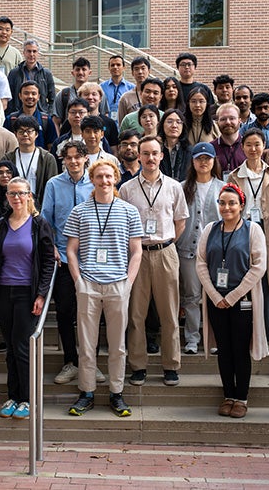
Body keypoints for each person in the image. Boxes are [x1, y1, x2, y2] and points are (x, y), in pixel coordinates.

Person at [64, 160, 144, 417]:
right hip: (88, 285)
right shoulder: (79, 211)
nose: (104, 181)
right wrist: (78, 281)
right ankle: (86, 393)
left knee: (117, 345)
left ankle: (116, 393)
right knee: (87, 345)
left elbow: (136, 251)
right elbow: (71, 250)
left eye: (109, 176)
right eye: (99, 176)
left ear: (116, 178)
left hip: (118, 285)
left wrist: (128, 283)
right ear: (92, 179)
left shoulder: (129, 211)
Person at [119, 136, 189, 387]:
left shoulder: (173, 187)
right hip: (136, 254)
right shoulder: (126, 189)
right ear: (139, 156)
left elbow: (180, 222)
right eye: (145, 153)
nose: (150, 158)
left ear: (161, 156)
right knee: (136, 314)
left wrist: (164, 243)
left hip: (166, 253)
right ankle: (138, 365)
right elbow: (123, 225)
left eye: (154, 153)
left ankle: (171, 365)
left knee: (169, 313)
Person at [196, 183, 268, 419]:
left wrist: (233, 296)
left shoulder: (252, 230)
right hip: (216, 300)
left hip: (243, 300)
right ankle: (228, 395)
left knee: (239, 349)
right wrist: (216, 296)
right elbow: (201, 263)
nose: (226, 207)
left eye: (232, 203)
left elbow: (258, 267)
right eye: (222, 203)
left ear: (241, 205)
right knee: (224, 349)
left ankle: (241, 398)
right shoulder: (210, 229)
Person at [0, 177, 55, 419]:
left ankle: (28, 399)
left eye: (21, 193)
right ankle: (13, 396)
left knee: (22, 346)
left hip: (27, 293)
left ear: (30, 195)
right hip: (5, 291)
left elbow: (48, 261)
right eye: (11, 194)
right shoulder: (0, 224)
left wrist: (41, 294)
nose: (16, 198)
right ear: (6, 197)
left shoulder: (39, 224)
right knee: (10, 347)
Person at [40, 141, 98, 385]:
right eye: (69, 157)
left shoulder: (96, 182)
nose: (73, 161)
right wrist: (51, 246)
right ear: (63, 160)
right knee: (64, 312)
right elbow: (45, 220)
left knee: (91, 314)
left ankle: (90, 364)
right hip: (63, 258)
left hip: (93, 259)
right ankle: (71, 362)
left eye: (78, 157)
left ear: (86, 158)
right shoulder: (54, 184)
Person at [227, 128, 269, 341]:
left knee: (267, 282)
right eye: (249, 145)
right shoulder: (234, 176)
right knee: (243, 279)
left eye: (257, 144)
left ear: (264, 147)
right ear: (242, 147)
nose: (253, 149)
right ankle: (244, 331)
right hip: (242, 230)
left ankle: (265, 331)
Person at [176, 143, 225, 355]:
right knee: (191, 296)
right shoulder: (181, 187)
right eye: (199, 158)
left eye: (207, 158)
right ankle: (192, 339)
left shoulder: (224, 186)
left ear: (214, 161)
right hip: (188, 249)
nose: (203, 162)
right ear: (193, 161)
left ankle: (213, 339)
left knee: (215, 294)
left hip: (217, 251)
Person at [4, 115, 58, 209]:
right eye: (21, 131)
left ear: (36, 134)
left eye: (29, 131)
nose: (25, 135)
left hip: (39, 209)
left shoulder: (47, 159)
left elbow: (52, 188)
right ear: (15, 134)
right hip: (14, 208)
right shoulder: (8, 159)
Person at [53, 57, 108, 131]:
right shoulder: (63, 94)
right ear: (73, 73)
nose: (81, 72)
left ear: (90, 72)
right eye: (77, 69)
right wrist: (59, 139)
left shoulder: (99, 94)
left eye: (84, 69)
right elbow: (56, 120)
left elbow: (104, 116)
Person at [6, 39, 56, 115]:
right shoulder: (14, 73)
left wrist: (48, 114)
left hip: (40, 114)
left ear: (38, 53)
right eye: (29, 51)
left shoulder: (46, 74)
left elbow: (52, 99)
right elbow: (10, 97)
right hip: (19, 114)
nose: (31, 54)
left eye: (34, 51)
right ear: (24, 53)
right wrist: (12, 114)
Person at [5, 80, 57, 149]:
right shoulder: (11, 120)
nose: (30, 96)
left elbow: (51, 146)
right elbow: (5, 144)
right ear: (20, 96)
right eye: (26, 93)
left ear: (38, 96)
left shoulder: (46, 120)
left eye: (33, 93)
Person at [76, 82, 119, 151]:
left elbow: (114, 150)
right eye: (86, 94)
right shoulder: (74, 121)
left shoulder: (109, 123)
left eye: (94, 94)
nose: (90, 97)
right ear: (80, 98)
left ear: (100, 98)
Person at [210, 103, 246, 180]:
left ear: (239, 120)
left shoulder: (248, 146)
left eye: (232, 118)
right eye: (223, 119)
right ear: (217, 122)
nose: (228, 122)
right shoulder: (211, 148)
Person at [158, 109, 192, 182]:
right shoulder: (157, 149)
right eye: (170, 122)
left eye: (178, 122)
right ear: (162, 124)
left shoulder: (189, 150)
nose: (174, 126)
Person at [117, 56, 152, 124]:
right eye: (136, 69)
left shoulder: (156, 95)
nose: (140, 72)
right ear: (132, 73)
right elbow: (122, 124)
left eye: (143, 68)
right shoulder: (125, 98)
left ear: (149, 71)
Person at [100, 54, 134, 120]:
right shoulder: (101, 87)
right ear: (109, 68)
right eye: (112, 65)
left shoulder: (131, 88)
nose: (115, 67)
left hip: (125, 125)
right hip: (106, 125)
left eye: (118, 65)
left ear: (124, 67)